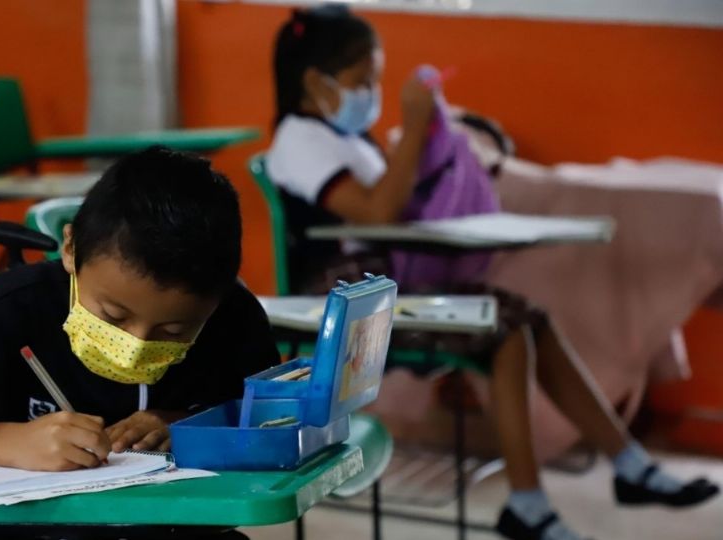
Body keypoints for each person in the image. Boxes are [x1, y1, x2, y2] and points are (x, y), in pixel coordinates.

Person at [265, 6, 718, 540]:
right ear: (314, 81)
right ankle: (530, 503)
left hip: (384, 289)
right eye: (362, 81)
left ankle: (628, 465)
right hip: (344, 302)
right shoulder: (300, 138)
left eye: (376, 81)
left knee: (530, 319)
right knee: (504, 333)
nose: (372, 92)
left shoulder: (347, 141)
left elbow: (392, 208)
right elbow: (378, 212)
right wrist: (412, 129)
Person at [0, 146, 278, 539]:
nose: (135, 344)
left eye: (173, 331)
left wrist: (194, 424)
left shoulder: (233, 321)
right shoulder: (9, 311)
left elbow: (279, 425)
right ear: (70, 247)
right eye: (113, 314)